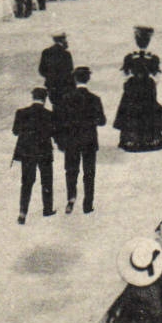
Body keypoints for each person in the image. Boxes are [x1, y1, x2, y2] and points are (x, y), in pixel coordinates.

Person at [58, 66, 105, 214]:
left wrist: (61, 141)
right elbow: (102, 121)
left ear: (75, 79)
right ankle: (87, 204)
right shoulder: (95, 99)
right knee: (89, 173)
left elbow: (60, 122)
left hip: (71, 140)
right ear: (88, 79)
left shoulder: (66, 98)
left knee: (71, 171)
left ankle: (71, 199)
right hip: (89, 140)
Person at [114, 26, 162, 152]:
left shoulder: (130, 57)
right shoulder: (153, 57)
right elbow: (157, 75)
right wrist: (150, 82)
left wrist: (130, 82)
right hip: (147, 88)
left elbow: (124, 74)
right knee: (148, 111)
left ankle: (132, 140)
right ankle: (150, 140)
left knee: (132, 111)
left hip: (133, 88)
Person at [10, 86, 57, 225]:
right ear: (45, 99)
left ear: (33, 97)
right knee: (46, 181)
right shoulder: (49, 115)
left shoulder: (21, 113)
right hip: (44, 152)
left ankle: (22, 213)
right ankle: (47, 209)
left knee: (26, 183)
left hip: (27, 153)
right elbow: (54, 133)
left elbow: (15, 131)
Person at [38, 33, 74, 110]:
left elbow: (41, 70)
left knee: (55, 105)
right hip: (64, 87)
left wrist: (50, 77)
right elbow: (70, 70)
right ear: (63, 40)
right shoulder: (66, 54)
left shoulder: (46, 52)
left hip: (51, 86)